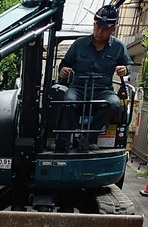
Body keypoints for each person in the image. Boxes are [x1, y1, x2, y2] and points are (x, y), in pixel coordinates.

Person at [56, 5, 132, 151]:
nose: (99, 31)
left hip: (102, 90)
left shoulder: (118, 47)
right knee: (67, 101)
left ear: (113, 29)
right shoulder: (79, 44)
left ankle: (87, 139)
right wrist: (63, 70)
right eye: (97, 26)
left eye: (104, 29)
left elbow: (128, 66)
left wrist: (125, 69)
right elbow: (64, 64)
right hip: (77, 89)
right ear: (94, 24)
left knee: (113, 103)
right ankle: (62, 141)